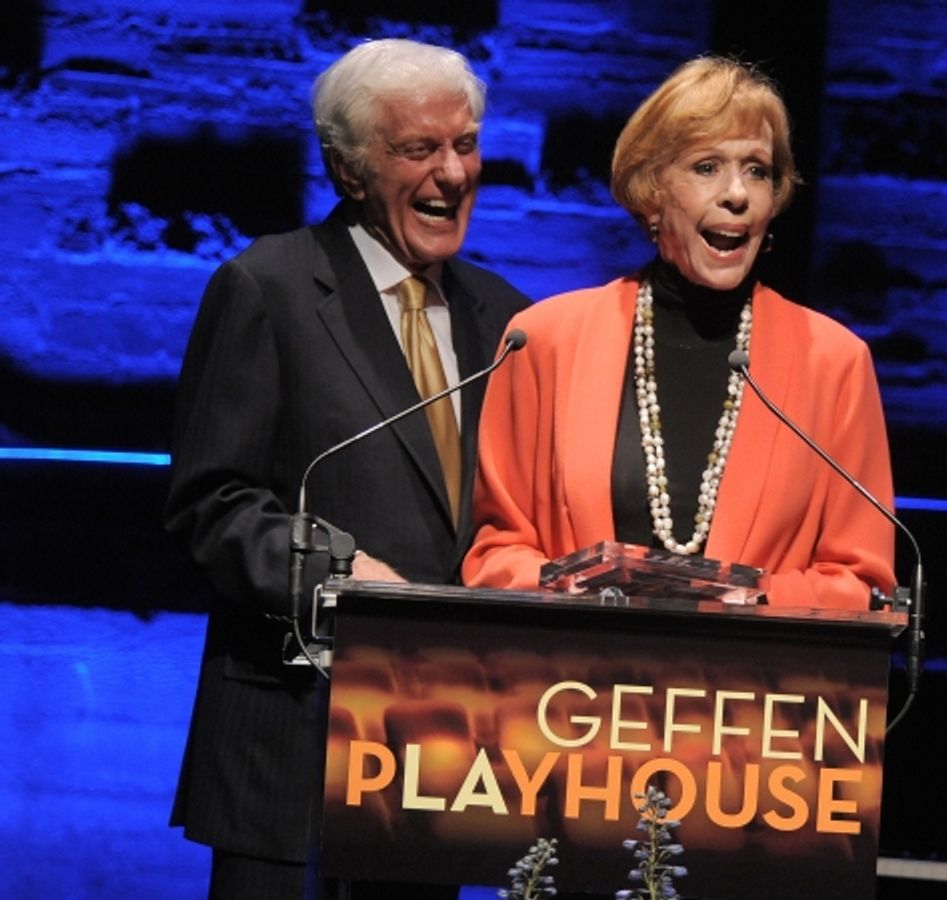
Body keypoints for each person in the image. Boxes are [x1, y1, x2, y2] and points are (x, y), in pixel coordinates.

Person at [165, 38, 530, 898]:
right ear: (349, 170)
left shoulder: (507, 318)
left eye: (466, 144)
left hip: (437, 759)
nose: (453, 173)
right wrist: (339, 574)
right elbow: (209, 507)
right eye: (419, 150)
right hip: (293, 751)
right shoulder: (267, 288)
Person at [463, 56, 894, 608]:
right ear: (652, 191)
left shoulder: (833, 363)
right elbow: (497, 553)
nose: (737, 194)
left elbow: (860, 581)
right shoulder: (543, 341)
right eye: (707, 167)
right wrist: (575, 590)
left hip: (750, 687)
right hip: (573, 682)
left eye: (758, 170)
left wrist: (745, 598)